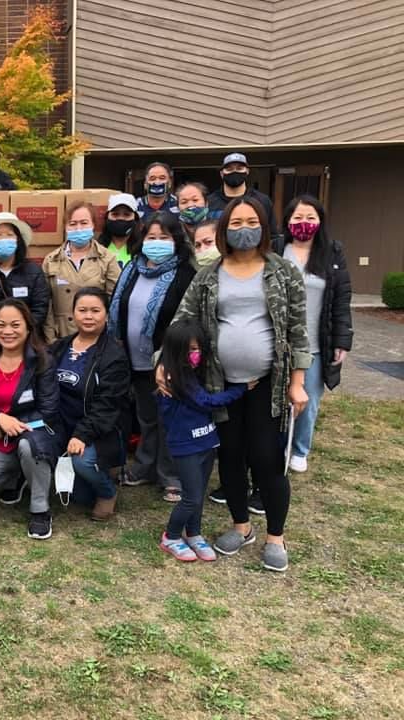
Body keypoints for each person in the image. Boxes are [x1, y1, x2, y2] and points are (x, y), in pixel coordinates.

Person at [171, 195, 311, 572]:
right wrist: (162, 363)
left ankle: (276, 537)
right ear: (223, 230)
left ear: (264, 226)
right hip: (220, 384)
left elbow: (298, 331)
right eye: (235, 223)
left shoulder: (282, 272)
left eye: (251, 222)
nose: (243, 229)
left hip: (268, 382)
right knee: (230, 457)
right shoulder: (209, 274)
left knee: (266, 459)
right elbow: (181, 323)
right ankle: (241, 527)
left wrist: (298, 382)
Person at [108, 211, 197, 502]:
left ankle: (170, 476)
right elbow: (119, 306)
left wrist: (172, 359)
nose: (156, 243)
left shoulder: (186, 275)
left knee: (169, 418)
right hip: (135, 358)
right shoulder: (132, 268)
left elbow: (188, 322)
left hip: (170, 360)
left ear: (176, 241)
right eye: (151, 237)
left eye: (164, 237)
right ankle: (145, 466)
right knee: (146, 416)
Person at [156, 320, 252, 562]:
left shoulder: (193, 373)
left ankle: (194, 533)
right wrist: (241, 388)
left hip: (206, 441)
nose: (194, 355)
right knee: (191, 496)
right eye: (189, 350)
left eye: (198, 349)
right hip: (185, 446)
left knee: (197, 494)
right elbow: (207, 402)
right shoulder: (175, 379)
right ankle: (172, 536)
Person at [0, 299, 59, 539]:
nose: (7, 331)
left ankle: (40, 509)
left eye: (15, 324)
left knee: (29, 446)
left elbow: (48, 409)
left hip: (34, 431)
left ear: (28, 327)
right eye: (1, 325)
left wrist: (7, 426)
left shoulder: (42, 359)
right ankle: (17, 477)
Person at [276, 194, 353, 473]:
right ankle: (277, 444)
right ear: (287, 220)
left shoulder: (331, 253)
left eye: (310, 217)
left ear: (320, 221)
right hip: (276, 342)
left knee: (308, 398)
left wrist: (342, 340)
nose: (304, 223)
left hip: (314, 343)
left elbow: (342, 299)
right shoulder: (276, 248)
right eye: (298, 217)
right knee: (276, 398)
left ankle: (299, 449)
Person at [49, 287, 130, 521]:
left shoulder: (113, 355)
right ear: (72, 314)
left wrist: (82, 435)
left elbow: (107, 405)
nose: (88, 316)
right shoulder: (59, 347)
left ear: (106, 314)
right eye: (82, 310)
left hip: (98, 430)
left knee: (82, 463)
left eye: (95, 310)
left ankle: (108, 491)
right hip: (61, 425)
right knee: (78, 497)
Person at [42, 200, 121, 342]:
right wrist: (50, 339)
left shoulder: (107, 259)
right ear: (65, 227)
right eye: (72, 224)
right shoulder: (51, 260)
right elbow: (46, 304)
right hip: (61, 336)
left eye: (84, 223)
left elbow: (115, 301)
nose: (78, 228)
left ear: (93, 225)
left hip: (97, 336)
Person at [0, 211, 49, 347]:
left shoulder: (34, 272)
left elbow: (40, 308)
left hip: (25, 343)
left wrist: (23, 333)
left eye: (9, 235)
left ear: (18, 240)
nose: (3, 239)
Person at [207, 152, 277, 233]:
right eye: (229, 169)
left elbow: (272, 234)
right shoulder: (209, 202)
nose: (234, 172)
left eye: (239, 168)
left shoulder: (262, 200)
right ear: (222, 174)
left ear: (247, 171)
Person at [99, 193, 140, 268]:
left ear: (135, 218)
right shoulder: (97, 248)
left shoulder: (142, 249)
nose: (121, 218)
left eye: (127, 215)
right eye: (115, 214)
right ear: (107, 217)